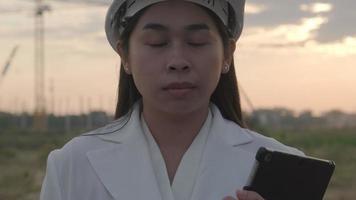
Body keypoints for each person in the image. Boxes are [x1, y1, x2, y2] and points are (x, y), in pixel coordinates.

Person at [40, 1, 303, 200]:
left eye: (197, 42)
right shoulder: (72, 165)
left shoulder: (285, 169)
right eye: (157, 43)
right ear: (125, 56)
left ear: (227, 55)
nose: (178, 61)